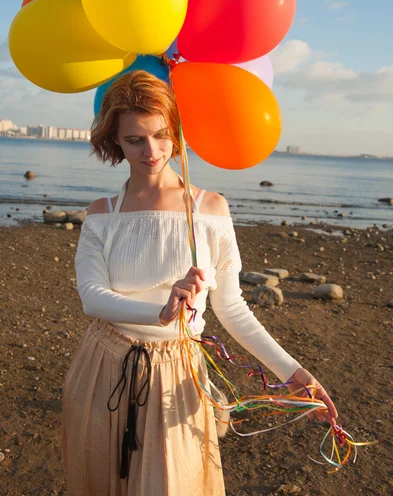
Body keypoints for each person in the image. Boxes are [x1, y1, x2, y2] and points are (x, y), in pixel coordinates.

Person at [61, 69, 338, 496]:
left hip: (178, 371)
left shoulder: (209, 209)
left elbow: (233, 310)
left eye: (160, 135)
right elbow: (92, 299)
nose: (151, 151)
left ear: (176, 132)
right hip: (103, 365)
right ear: (114, 139)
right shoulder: (102, 214)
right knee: (100, 482)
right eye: (135, 139)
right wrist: (159, 311)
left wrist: (294, 373)